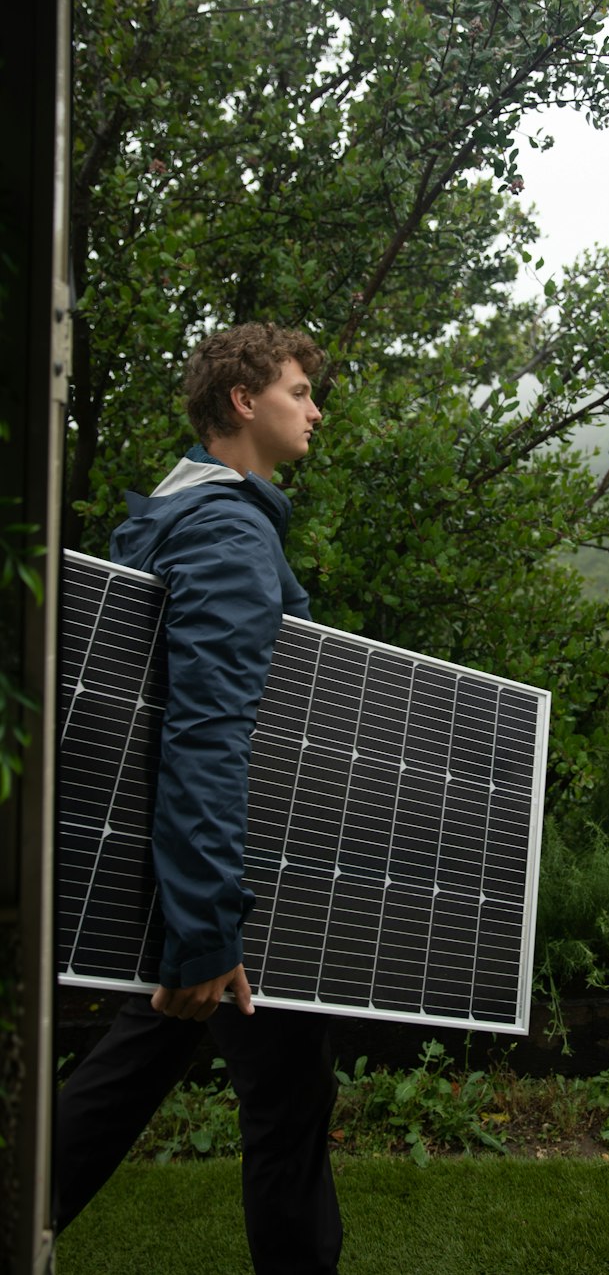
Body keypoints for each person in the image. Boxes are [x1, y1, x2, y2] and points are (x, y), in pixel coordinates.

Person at [55, 322, 342, 1273]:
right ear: (242, 401)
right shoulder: (225, 529)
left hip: (197, 865)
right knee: (288, 1109)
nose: (315, 410)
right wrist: (209, 924)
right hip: (223, 874)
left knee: (151, 1070)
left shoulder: (179, 514)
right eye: (299, 391)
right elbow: (209, 729)